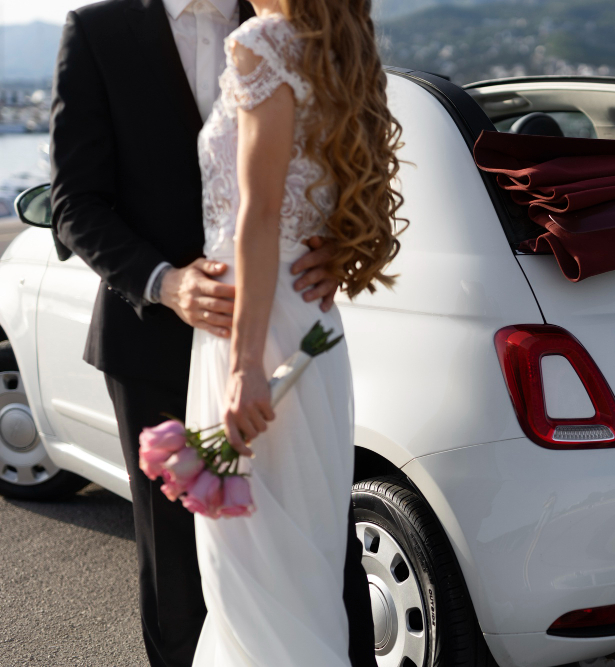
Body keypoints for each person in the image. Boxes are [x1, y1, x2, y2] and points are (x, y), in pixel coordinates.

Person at [48, 0, 385, 665]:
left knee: (317, 563)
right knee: (180, 579)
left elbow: (334, 168)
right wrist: (167, 283)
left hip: (271, 341)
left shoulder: (286, 21)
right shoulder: (97, 30)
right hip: (151, 342)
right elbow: (73, 203)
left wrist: (348, 246)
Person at [186, 0, 403, 663]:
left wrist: (246, 365)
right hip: (310, 325)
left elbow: (259, 213)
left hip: (256, 330)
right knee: (297, 575)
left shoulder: (264, 41)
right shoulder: (343, 52)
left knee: (251, 579)